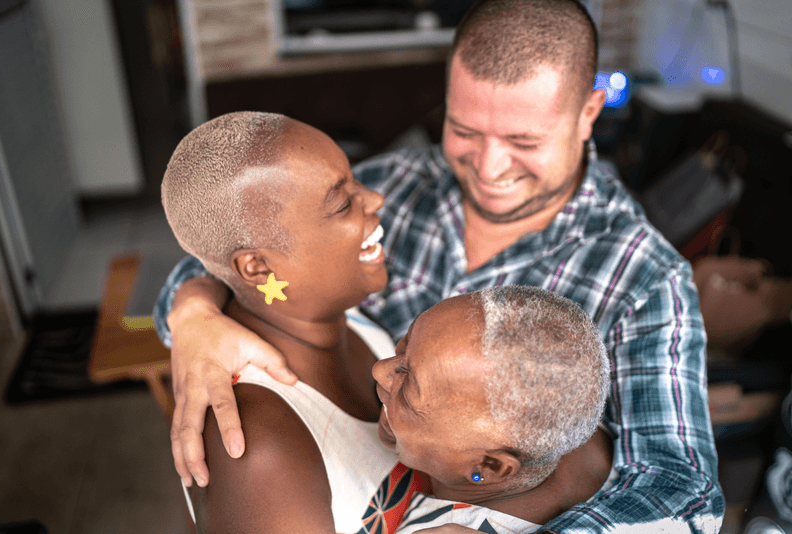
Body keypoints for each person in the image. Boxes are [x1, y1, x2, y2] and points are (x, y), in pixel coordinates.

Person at [154, 0, 725, 531]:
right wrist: (192, 314)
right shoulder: (400, 184)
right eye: (465, 130)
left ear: (588, 113)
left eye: (523, 138)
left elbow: (682, 491)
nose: (489, 165)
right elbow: (243, 247)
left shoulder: (644, 277)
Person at [161, 110, 611, 533]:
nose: (375, 198)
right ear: (258, 268)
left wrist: (193, 306)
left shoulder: (357, 321)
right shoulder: (256, 446)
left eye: (355, 178)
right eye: (341, 203)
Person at [364, 285, 614, 534]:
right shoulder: (564, 425)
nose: (380, 369)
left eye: (408, 390)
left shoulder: (432, 529)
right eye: (405, 345)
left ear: (489, 466)